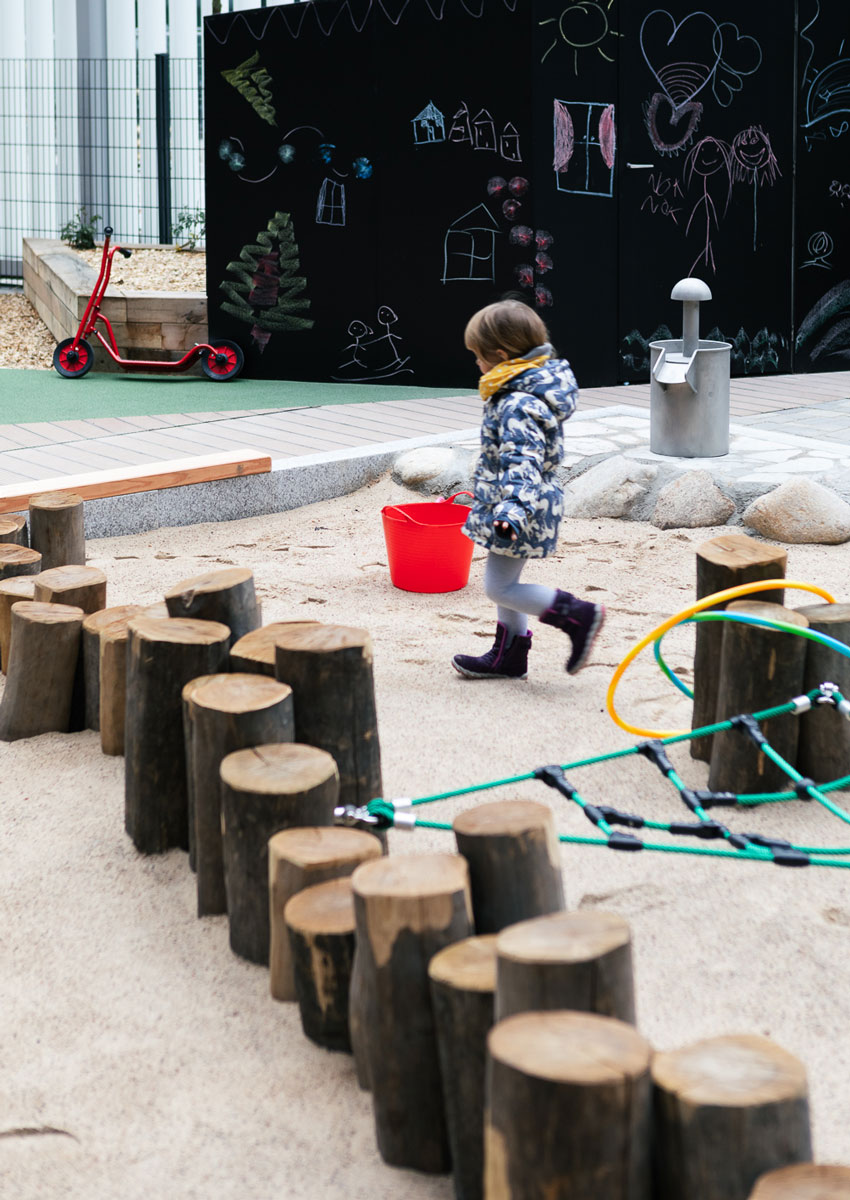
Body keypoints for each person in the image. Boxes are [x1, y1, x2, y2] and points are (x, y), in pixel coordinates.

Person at [452, 299, 605, 680]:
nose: (476, 364)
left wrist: (512, 512)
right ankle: (510, 655)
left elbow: (524, 462)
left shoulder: (517, 402)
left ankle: (578, 615)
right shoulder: (526, 388)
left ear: (501, 355)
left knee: (499, 588)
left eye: (478, 356)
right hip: (516, 505)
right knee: (506, 583)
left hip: (520, 508)